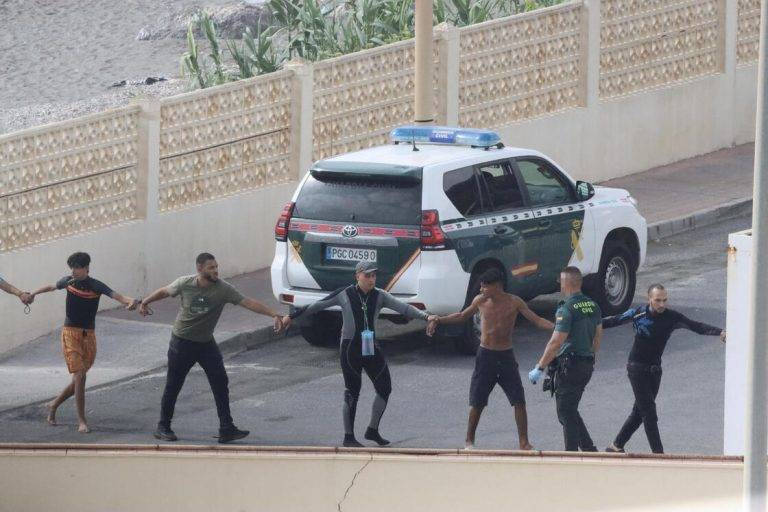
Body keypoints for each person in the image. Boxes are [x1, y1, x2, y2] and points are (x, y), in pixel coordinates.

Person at [281, 261, 438, 448]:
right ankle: (349, 436)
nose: (371, 279)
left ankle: (372, 430)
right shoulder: (344, 294)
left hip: (370, 347)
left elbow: (403, 308)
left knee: (384, 387)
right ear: (357, 276)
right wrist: (291, 317)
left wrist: (427, 317)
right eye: (367, 276)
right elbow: (316, 306)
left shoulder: (380, 296)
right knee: (352, 391)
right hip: (350, 349)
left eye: (374, 276)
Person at [140, 252, 283, 443]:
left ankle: (227, 428)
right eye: (211, 268)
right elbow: (165, 291)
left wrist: (274, 314)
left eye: (216, 267)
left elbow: (248, 302)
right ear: (200, 269)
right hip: (182, 342)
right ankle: (163, 426)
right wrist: (145, 302)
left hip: (206, 343)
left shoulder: (223, 289)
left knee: (220, 381)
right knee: (174, 384)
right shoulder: (185, 283)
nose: (216, 271)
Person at [431, 268, 553, 450]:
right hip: (485, 356)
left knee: (519, 400)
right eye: (481, 287)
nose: (481, 290)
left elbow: (537, 320)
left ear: (497, 286)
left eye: (485, 286)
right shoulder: (480, 301)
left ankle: (524, 443)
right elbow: (462, 316)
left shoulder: (514, 302)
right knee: (477, 401)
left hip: (506, 357)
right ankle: (469, 441)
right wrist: (438, 320)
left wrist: (559, 328)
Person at [603, 284, 726, 454]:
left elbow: (696, 326)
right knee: (649, 413)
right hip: (636, 368)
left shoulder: (672, 317)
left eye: (664, 300)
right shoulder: (637, 313)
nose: (662, 304)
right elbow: (611, 321)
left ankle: (616, 446)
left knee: (640, 411)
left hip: (654, 370)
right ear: (649, 299)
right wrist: (583, 325)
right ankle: (659, 455)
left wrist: (720, 332)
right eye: (657, 300)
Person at [29, 252, 138, 433]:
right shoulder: (68, 282)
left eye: (77, 267)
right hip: (70, 333)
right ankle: (82, 421)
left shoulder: (95, 285)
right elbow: (51, 286)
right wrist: (32, 293)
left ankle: (53, 405)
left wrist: (132, 301)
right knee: (80, 376)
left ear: (87, 267)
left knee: (78, 380)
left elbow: (117, 296)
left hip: (89, 336)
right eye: (72, 267)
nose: (74, 271)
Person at [528, 266, 602, 452]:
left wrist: (540, 366)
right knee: (571, 408)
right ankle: (589, 448)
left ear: (566, 284)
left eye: (561, 283)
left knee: (565, 412)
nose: (560, 286)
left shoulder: (566, 308)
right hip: (586, 364)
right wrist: (592, 357)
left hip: (570, 366)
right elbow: (598, 335)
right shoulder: (593, 305)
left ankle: (571, 454)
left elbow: (556, 341)